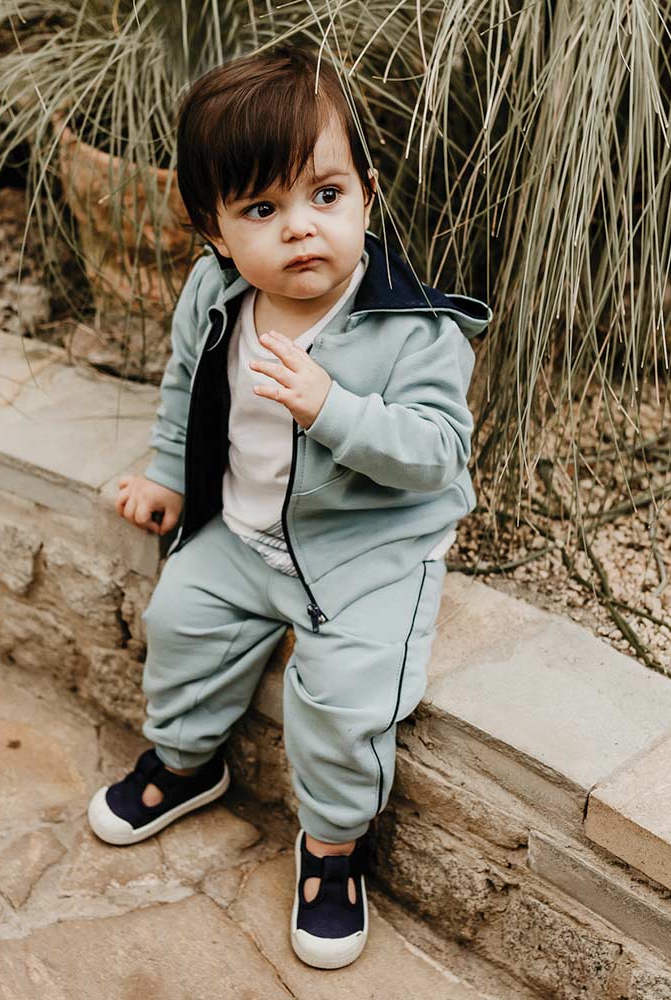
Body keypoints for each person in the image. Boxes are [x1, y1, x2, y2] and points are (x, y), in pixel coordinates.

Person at [87, 44, 491, 970]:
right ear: (216, 231)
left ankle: (334, 849)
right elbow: (186, 385)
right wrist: (168, 476)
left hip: (367, 551)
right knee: (179, 621)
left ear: (367, 197)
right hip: (246, 530)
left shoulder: (414, 330)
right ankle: (185, 763)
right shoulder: (217, 292)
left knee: (345, 700)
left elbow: (439, 453)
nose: (302, 228)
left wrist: (332, 409)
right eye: (263, 210)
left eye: (326, 195)